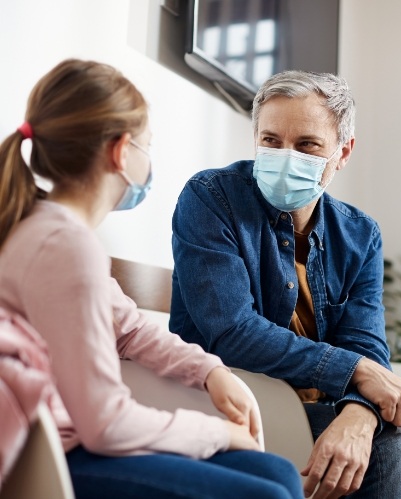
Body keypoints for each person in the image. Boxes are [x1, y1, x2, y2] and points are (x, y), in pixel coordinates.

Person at [170, 70, 401, 499]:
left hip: (325, 406)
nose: (285, 156)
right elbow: (232, 332)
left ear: (343, 152)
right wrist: (359, 374)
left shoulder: (360, 234)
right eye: (271, 141)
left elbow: (366, 342)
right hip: (242, 402)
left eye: (306, 144)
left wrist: (361, 413)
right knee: (390, 448)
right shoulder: (211, 198)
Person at [0, 59, 305, 499]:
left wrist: (209, 372)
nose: (149, 161)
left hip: (75, 442)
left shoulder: (48, 228)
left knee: (279, 475)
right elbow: (105, 424)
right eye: (148, 146)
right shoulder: (65, 245)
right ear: (121, 153)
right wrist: (216, 432)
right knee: (271, 490)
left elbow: (129, 330)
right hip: (57, 459)